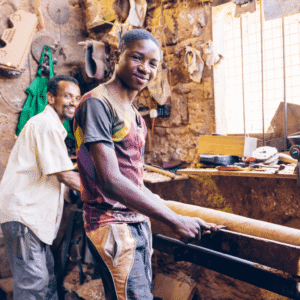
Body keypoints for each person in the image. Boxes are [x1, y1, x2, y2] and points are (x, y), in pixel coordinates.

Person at [74, 29, 219, 300]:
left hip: (135, 222)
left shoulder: (134, 115)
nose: (145, 68)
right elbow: (110, 181)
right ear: (118, 56)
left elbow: (135, 184)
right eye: (137, 58)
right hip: (112, 224)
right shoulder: (97, 103)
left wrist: (181, 217)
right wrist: (175, 221)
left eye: (153, 63)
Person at [0, 75, 81, 300]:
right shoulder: (45, 125)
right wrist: (101, 192)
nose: (73, 102)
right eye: (67, 96)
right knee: (33, 285)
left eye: (77, 97)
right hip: (25, 217)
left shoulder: (53, 127)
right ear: (50, 97)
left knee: (45, 284)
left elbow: (61, 176)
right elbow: (64, 175)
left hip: (32, 219)